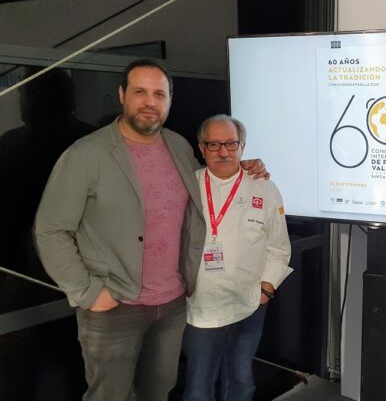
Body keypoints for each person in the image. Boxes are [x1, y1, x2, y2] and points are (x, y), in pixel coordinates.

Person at [34, 59, 267, 401]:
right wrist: (87, 291)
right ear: (122, 95)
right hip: (115, 305)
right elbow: (50, 230)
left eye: (159, 94)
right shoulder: (86, 155)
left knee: (157, 392)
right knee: (109, 396)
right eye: (140, 92)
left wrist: (240, 166)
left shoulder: (179, 147)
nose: (149, 102)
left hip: (172, 305)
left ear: (170, 100)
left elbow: (208, 185)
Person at [181, 115, 292, 401]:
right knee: (197, 387)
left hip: (248, 304)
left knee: (241, 381)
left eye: (231, 144)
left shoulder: (264, 188)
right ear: (201, 148)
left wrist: (266, 290)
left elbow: (279, 245)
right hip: (201, 308)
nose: (223, 152)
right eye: (214, 144)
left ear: (242, 146)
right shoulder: (187, 187)